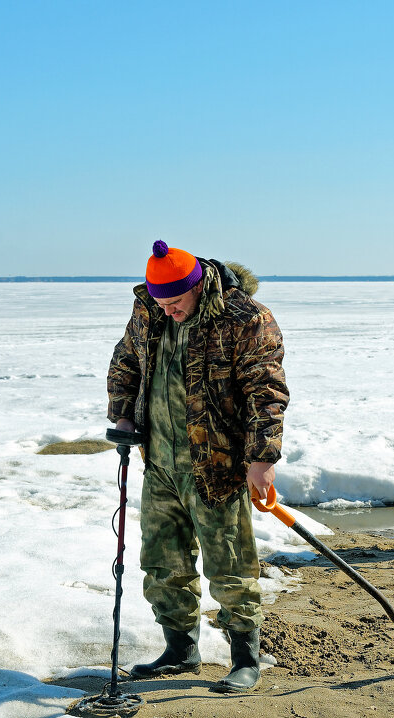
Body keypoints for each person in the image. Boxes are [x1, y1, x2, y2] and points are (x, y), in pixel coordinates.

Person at [107, 241, 288, 692]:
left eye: (175, 303)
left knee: (230, 565)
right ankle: (180, 650)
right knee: (162, 562)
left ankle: (246, 658)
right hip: (161, 462)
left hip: (218, 464)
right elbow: (126, 361)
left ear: (196, 287)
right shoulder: (150, 308)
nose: (168, 311)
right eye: (160, 303)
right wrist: (123, 414)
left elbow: (265, 392)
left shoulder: (244, 318)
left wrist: (260, 459)